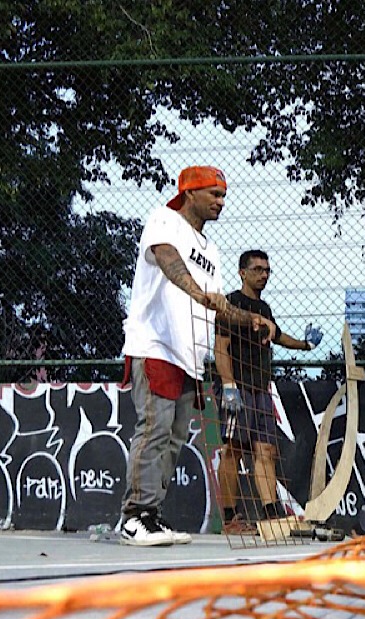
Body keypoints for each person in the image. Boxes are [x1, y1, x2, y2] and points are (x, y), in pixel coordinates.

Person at [120, 165, 275, 546]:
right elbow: (167, 258)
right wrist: (194, 290)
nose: (221, 202)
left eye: (223, 195)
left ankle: (151, 515)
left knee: (174, 439)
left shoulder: (211, 250)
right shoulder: (165, 220)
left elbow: (217, 302)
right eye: (214, 194)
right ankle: (133, 516)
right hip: (156, 344)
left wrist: (249, 317)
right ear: (191, 192)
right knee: (154, 430)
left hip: (189, 357)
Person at [214, 250, 322, 532]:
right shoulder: (230, 304)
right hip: (238, 387)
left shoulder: (264, 310)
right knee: (233, 450)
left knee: (266, 450)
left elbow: (278, 336)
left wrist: (305, 345)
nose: (264, 275)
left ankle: (272, 515)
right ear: (242, 272)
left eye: (267, 270)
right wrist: (228, 385)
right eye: (258, 269)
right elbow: (220, 348)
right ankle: (229, 519)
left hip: (261, 388)